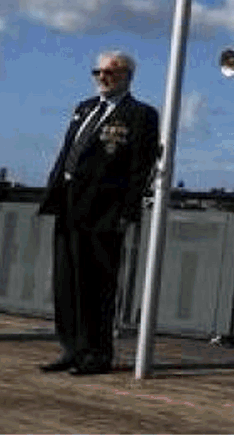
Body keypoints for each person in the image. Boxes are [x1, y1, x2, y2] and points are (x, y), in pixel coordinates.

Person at [37, 49, 160, 376]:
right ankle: (71, 348)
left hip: (104, 209)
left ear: (127, 77)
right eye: (98, 72)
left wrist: (127, 211)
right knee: (66, 281)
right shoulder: (85, 108)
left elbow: (140, 167)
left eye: (110, 72)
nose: (102, 77)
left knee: (97, 283)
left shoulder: (141, 115)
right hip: (69, 202)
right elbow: (67, 151)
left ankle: (96, 353)